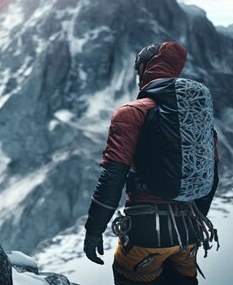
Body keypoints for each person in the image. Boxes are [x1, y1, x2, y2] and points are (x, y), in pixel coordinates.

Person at [83, 41, 219, 285]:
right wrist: (197, 221)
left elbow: (113, 176)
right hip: (188, 233)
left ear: (147, 67)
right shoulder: (197, 117)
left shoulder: (132, 112)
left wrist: (94, 231)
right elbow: (212, 175)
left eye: (139, 68)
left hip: (146, 231)